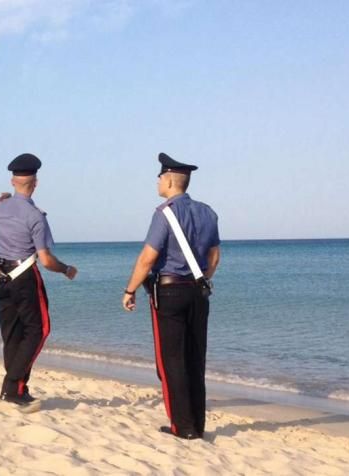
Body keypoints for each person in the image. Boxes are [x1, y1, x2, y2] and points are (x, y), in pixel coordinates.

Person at [122, 152, 220, 440]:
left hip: (169, 292)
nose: (157, 182)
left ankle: (182, 426)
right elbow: (214, 257)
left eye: (159, 177)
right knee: (195, 358)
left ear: (168, 180)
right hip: (199, 292)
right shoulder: (208, 213)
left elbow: (147, 259)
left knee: (172, 360)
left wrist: (129, 290)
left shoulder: (164, 213)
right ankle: (197, 426)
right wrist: (202, 279)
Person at [0, 153, 77, 411]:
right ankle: (12, 386)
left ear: (12, 180)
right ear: (36, 182)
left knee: (13, 333)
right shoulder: (36, 217)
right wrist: (67, 269)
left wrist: (5, 195)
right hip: (24, 277)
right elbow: (46, 260)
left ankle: (18, 389)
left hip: (0, 276)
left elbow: (0, 199)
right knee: (39, 330)